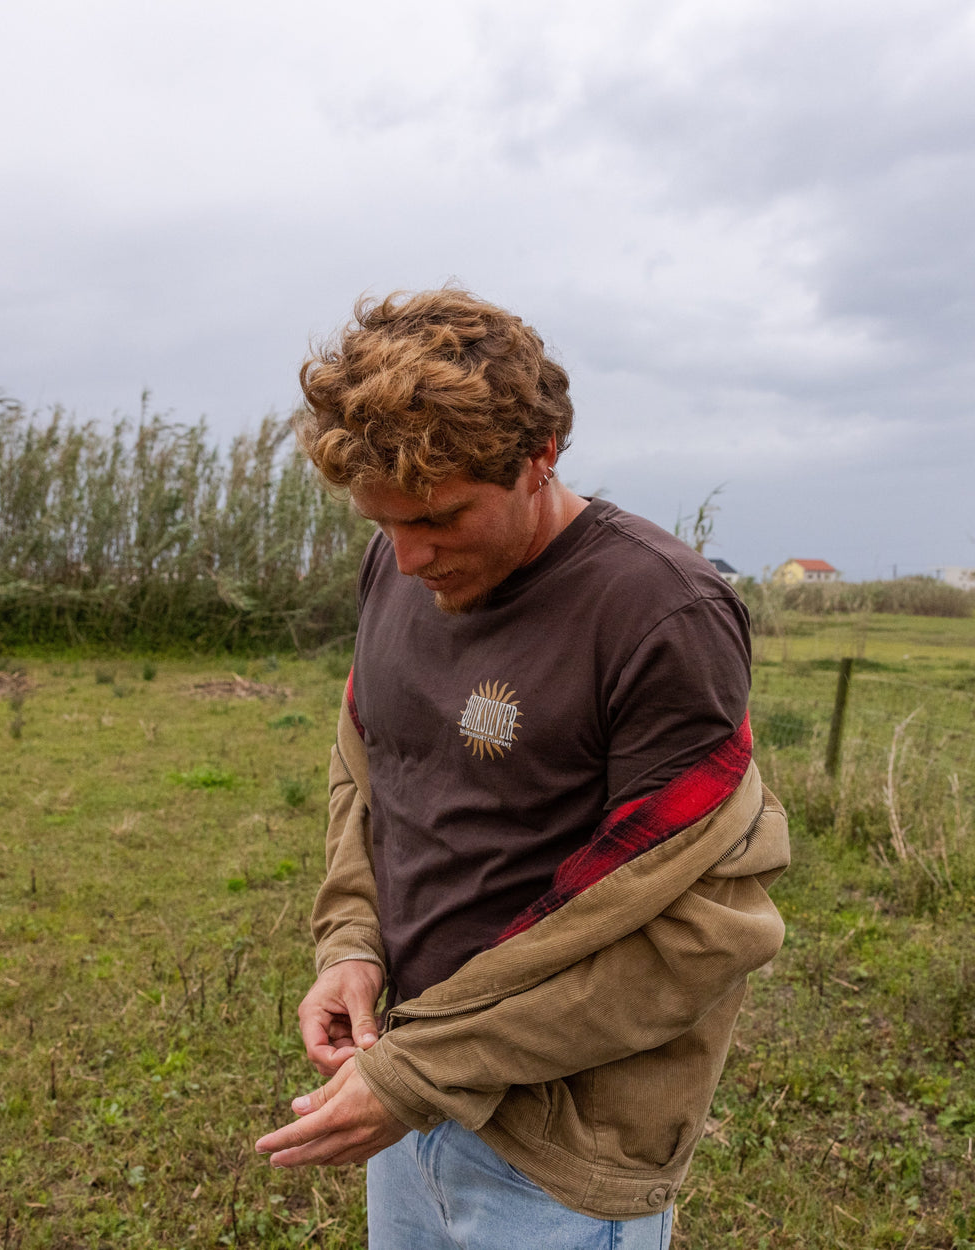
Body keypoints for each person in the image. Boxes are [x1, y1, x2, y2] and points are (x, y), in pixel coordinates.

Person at [256, 289, 789, 1249]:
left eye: (442, 518)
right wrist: (350, 946)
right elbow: (369, 771)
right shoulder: (400, 563)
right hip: (409, 1094)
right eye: (383, 524)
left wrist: (423, 1070)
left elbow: (703, 931)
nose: (411, 557)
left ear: (540, 458)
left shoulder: (661, 617)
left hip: (558, 1158)